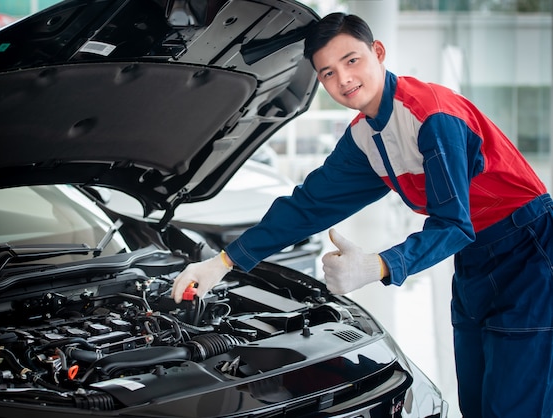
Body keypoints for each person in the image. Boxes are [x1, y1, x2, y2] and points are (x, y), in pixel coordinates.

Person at [171, 12, 553, 417]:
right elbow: (308, 206)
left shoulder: (431, 116)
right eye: (328, 73)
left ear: (378, 52)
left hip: (529, 251)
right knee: (476, 401)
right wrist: (223, 262)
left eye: (351, 60)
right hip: (476, 261)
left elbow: (455, 224)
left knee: (515, 406)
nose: (343, 79)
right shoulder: (364, 136)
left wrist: (379, 266)